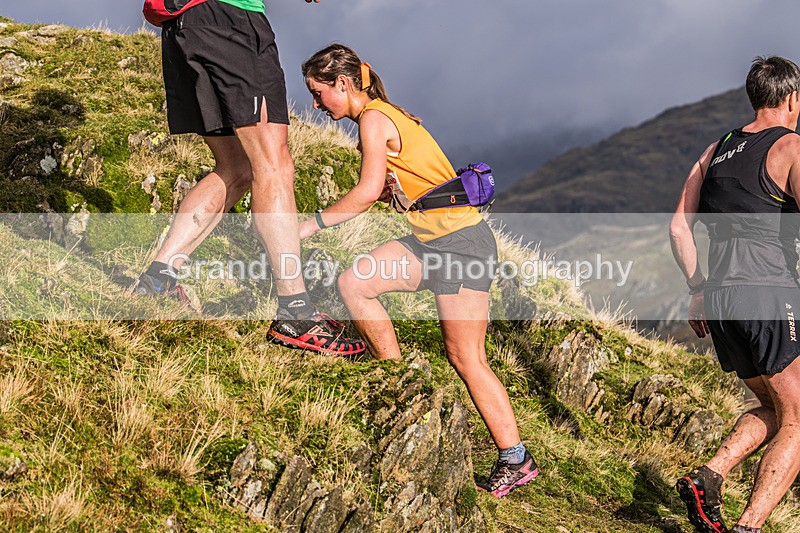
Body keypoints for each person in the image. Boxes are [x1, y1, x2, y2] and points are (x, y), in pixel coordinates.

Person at [298, 43, 538, 497]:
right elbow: (412, 188)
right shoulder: (386, 113)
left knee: (466, 358)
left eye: (317, 92)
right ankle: (395, 382)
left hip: (460, 247)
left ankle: (516, 459)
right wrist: (401, 196)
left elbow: (366, 192)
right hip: (434, 241)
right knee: (354, 282)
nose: (314, 104)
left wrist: (310, 225)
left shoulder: (373, 118)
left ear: (343, 84)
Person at [135, 0, 365, 356]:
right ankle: (296, 311)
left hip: (184, 26)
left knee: (236, 168)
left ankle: (158, 279)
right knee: (274, 164)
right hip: (231, 22)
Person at [670, 56, 800, 533]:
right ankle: (750, 526)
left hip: (722, 300)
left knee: (776, 406)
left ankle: (709, 476)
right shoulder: (790, 146)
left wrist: (698, 290)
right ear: (791, 99)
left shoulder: (717, 148)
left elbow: (678, 228)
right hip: (770, 293)